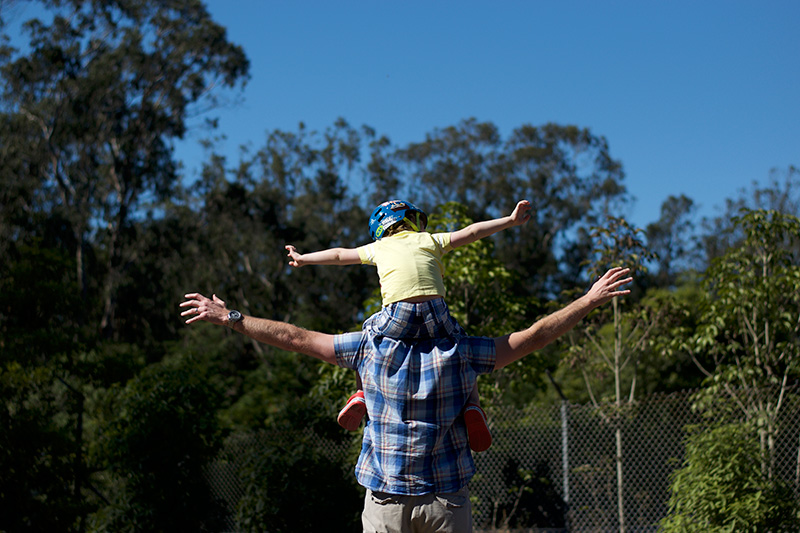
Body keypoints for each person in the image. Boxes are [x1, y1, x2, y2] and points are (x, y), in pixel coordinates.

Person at [180, 266, 632, 533]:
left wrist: (232, 317)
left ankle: (363, 394)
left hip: (386, 500)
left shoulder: (367, 345)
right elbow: (532, 337)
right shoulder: (462, 348)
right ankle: (470, 405)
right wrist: (588, 300)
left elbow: (296, 337)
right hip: (447, 500)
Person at [284, 199, 532, 452]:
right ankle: (473, 404)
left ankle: (360, 393)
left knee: (367, 337)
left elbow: (338, 255)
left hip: (397, 314)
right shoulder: (431, 240)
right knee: (460, 343)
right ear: (409, 219)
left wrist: (304, 259)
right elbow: (472, 232)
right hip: (436, 312)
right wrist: (510, 220)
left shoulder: (378, 248)